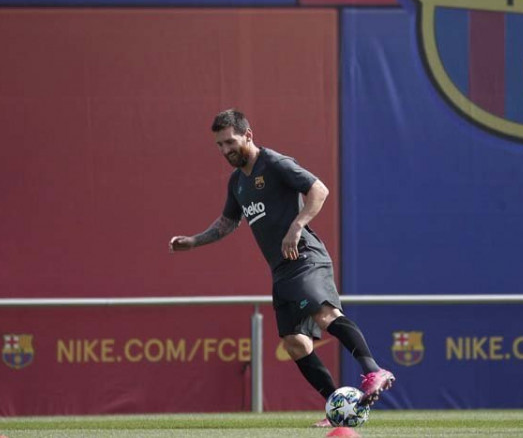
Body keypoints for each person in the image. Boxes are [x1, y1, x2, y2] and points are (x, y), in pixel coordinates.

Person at [169, 109, 394, 427]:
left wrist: (297, 226)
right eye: (219, 145)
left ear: (247, 135)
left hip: (305, 257)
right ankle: (337, 408)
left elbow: (319, 189)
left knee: (325, 315)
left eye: (230, 142)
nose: (225, 150)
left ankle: (373, 370)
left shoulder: (273, 163)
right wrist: (193, 241)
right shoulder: (237, 183)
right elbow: (227, 223)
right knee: (294, 343)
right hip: (281, 270)